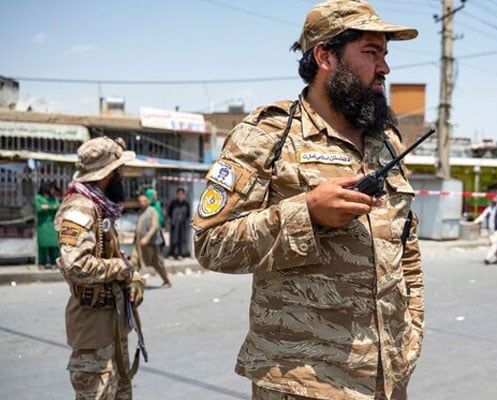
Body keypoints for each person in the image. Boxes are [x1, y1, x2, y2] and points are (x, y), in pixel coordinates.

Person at [192, 1, 424, 398]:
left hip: (387, 381)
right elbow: (210, 243)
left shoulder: (385, 142)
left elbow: (407, 248)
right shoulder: (268, 135)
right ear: (325, 56)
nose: (384, 68)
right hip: (302, 382)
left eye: (385, 54)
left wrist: (413, 330)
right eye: (370, 52)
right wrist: (308, 214)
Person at [54, 136, 146, 400]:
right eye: (119, 170)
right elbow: (76, 265)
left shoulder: (100, 208)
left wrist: (133, 276)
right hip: (94, 333)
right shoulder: (80, 209)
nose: (122, 175)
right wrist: (121, 269)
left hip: (113, 326)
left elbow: (110, 255)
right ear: (107, 174)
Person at [131, 193, 171, 288]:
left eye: (144, 201)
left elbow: (154, 227)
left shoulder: (152, 211)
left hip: (151, 243)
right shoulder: (141, 212)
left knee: (158, 263)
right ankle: (131, 282)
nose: (142, 203)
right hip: (139, 244)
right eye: (140, 201)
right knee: (134, 262)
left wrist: (146, 238)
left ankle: (167, 281)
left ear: (148, 201)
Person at [474, 194, 497, 264]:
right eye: (493, 198)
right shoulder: (490, 207)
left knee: (494, 244)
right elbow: (483, 215)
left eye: (495, 198)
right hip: (491, 229)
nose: (494, 199)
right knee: (493, 244)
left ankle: (487, 258)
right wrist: (476, 221)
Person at [33, 181, 61, 269]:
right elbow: (39, 208)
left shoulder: (54, 199)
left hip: (53, 225)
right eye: (52, 189)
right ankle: (42, 263)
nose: (53, 191)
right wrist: (52, 207)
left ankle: (54, 262)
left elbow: (58, 207)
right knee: (43, 245)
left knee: (54, 244)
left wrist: (47, 207)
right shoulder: (38, 198)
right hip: (43, 225)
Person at [166, 187, 191, 260]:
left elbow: (188, 215)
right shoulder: (173, 203)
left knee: (181, 239)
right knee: (173, 239)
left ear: (184, 195)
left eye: (182, 194)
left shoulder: (186, 204)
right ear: (177, 194)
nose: (180, 196)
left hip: (182, 225)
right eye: (179, 194)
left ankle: (180, 254)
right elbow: (169, 213)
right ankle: (172, 254)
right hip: (174, 224)